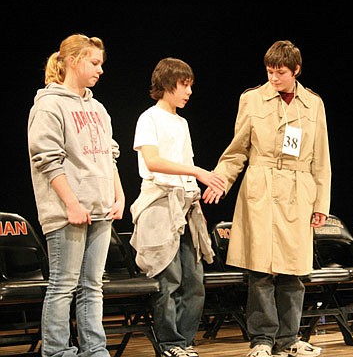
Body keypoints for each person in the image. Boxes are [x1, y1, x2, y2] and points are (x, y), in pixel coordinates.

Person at [203, 40, 331, 357]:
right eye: (270, 71)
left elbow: (322, 159)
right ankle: (262, 339)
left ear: (296, 70)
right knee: (260, 270)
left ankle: (289, 338)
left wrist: (321, 205)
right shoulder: (252, 99)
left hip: (299, 191)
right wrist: (221, 179)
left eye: (281, 72)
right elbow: (237, 150)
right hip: (260, 189)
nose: (274, 78)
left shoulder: (313, 104)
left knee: (293, 270)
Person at [28, 34, 125, 357]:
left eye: (101, 64)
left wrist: (119, 195)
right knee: (63, 285)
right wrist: (71, 203)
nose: (100, 70)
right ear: (72, 61)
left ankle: (94, 348)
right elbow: (46, 158)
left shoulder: (97, 107)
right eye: (94, 63)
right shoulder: (49, 104)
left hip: (99, 209)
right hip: (67, 210)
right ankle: (57, 351)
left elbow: (108, 155)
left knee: (92, 287)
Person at [129, 58, 225, 357]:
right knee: (167, 278)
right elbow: (153, 161)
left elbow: (185, 167)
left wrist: (197, 192)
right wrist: (196, 171)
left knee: (194, 282)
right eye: (185, 85)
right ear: (168, 84)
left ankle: (184, 342)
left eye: (190, 86)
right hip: (159, 205)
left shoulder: (181, 123)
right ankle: (170, 344)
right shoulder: (149, 118)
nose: (189, 92)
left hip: (185, 205)